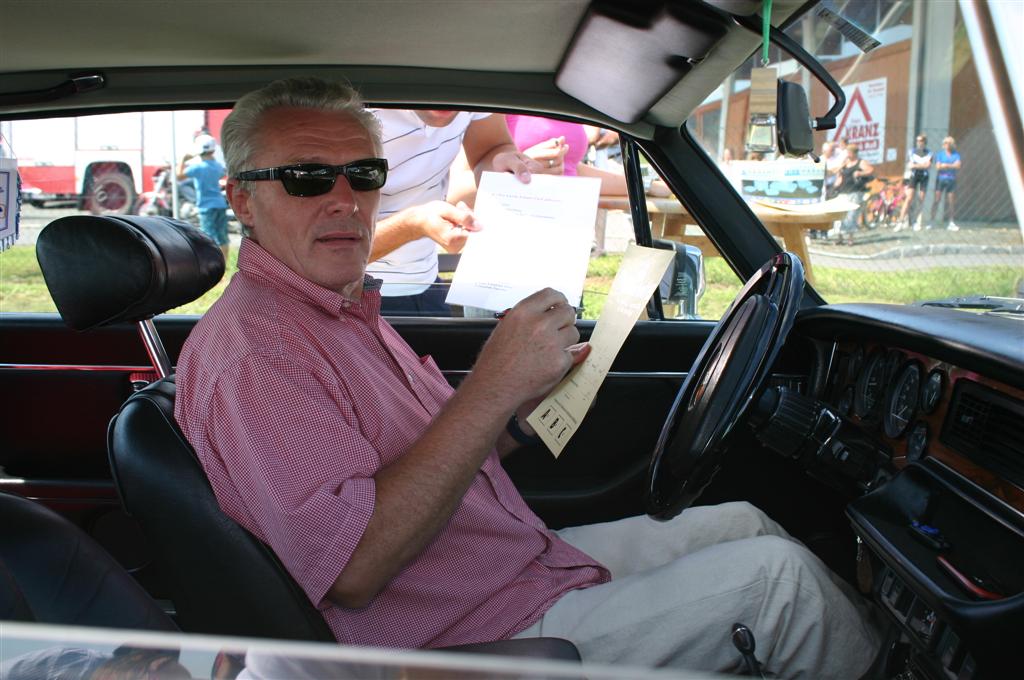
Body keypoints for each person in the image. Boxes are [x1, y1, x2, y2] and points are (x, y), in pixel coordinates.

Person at [174, 76, 880, 678]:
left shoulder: (335, 309)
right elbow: (355, 568)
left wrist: (519, 406)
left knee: (744, 521)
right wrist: (491, 385)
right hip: (458, 639)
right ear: (241, 199)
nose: (344, 199)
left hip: (497, 569)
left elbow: (432, 461)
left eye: (364, 174)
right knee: (782, 587)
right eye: (305, 177)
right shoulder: (257, 353)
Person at [364, 109, 548, 316]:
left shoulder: (472, 86)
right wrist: (412, 225)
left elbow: (490, 148)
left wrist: (502, 166)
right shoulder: (356, 102)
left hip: (425, 283)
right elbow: (324, 252)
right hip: (350, 291)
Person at [178, 134, 230, 259]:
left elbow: (179, 176)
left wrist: (183, 159)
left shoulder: (197, 168)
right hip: (220, 204)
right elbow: (222, 173)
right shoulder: (218, 166)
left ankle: (212, 265)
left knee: (209, 238)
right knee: (222, 237)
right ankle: (224, 266)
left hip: (206, 207)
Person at [833, 144, 874, 245]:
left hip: (855, 191)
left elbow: (870, 170)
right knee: (839, 214)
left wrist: (860, 173)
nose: (847, 154)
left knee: (851, 215)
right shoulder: (846, 162)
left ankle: (850, 238)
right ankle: (840, 237)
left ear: (854, 153)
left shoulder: (860, 162)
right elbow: (838, 172)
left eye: (849, 152)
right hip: (843, 191)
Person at [897, 133, 932, 231]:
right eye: (918, 141)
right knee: (909, 198)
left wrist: (917, 165)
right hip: (914, 177)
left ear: (924, 142)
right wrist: (921, 165)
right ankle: (900, 221)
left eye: (921, 141)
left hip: (924, 178)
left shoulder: (929, 153)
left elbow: (927, 166)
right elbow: (910, 165)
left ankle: (916, 222)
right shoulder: (911, 151)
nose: (919, 143)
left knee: (921, 199)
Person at [930, 135, 962, 231]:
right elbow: (938, 166)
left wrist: (946, 165)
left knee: (951, 201)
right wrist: (951, 165)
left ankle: (951, 222)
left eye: (948, 143)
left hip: (951, 179)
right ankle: (932, 222)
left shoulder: (956, 154)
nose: (946, 145)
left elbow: (958, 166)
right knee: (937, 200)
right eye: (945, 143)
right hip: (941, 179)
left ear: (952, 144)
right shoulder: (940, 154)